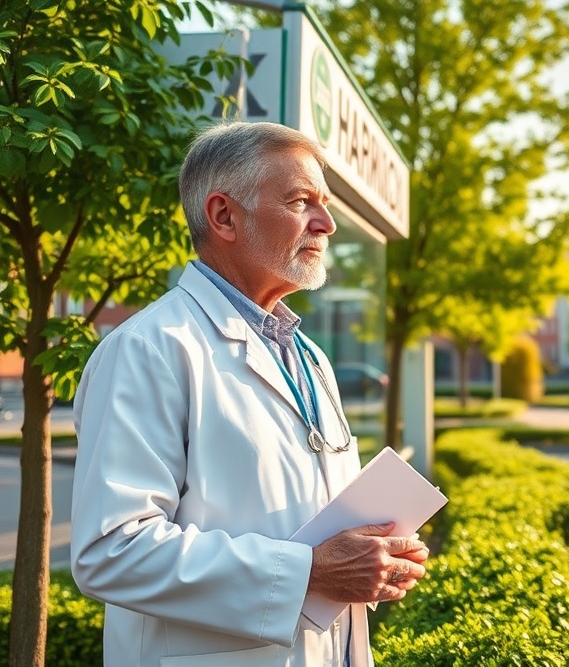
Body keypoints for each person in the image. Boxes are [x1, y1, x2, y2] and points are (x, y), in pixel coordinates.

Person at [70, 121, 428, 667]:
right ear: (223, 216)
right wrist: (308, 571)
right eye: (301, 201)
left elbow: (315, 522)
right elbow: (111, 550)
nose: (327, 224)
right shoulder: (148, 350)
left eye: (324, 204)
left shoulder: (308, 357)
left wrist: (374, 555)